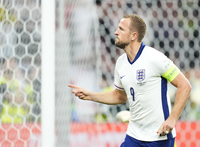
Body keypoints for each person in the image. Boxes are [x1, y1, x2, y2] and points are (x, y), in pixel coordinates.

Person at [68, 14, 191, 147]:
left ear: (133, 36)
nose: (116, 32)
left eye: (121, 29)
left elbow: (184, 85)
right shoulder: (121, 63)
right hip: (134, 136)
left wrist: (172, 119)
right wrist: (91, 95)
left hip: (159, 137)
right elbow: (119, 96)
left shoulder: (154, 58)